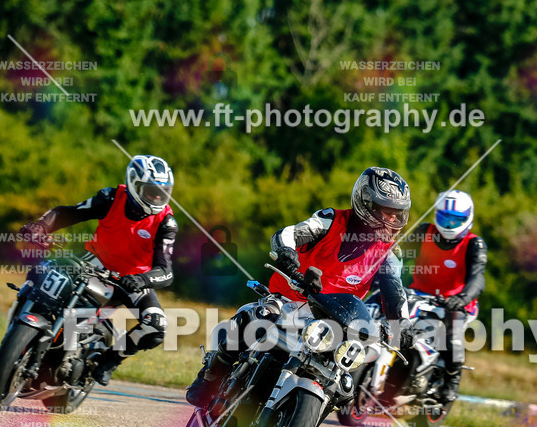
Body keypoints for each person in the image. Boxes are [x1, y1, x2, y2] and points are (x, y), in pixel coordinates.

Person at [186, 166, 413, 408]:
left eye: (397, 214)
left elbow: (395, 293)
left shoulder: (389, 253)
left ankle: (305, 415)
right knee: (252, 318)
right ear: (365, 203)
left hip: (336, 323)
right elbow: (287, 234)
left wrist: (403, 325)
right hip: (288, 301)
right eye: (387, 212)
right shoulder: (330, 220)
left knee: (345, 388)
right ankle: (210, 377)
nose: (393, 220)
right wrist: (287, 253)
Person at [20, 155, 177, 385]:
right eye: (152, 191)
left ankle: (109, 361)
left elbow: (166, 271)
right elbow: (69, 212)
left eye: (163, 192)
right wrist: (41, 226)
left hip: (133, 280)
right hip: (95, 262)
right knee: (45, 275)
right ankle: (24, 332)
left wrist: (141, 280)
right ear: (134, 184)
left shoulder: (166, 222)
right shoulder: (110, 198)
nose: (157, 197)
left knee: (156, 325)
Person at [401, 189, 487, 402]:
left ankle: (452, 379)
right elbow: (399, 254)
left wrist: (462, 298)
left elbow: (478, 278)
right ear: (436, 215)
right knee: (384, 318)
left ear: (468, 218)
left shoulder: (474, 244)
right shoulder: (423, 231)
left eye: (456, 219)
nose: (449, 224)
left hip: (455, 302)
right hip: (417, 293)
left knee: (452, 338)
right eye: (445, 218)